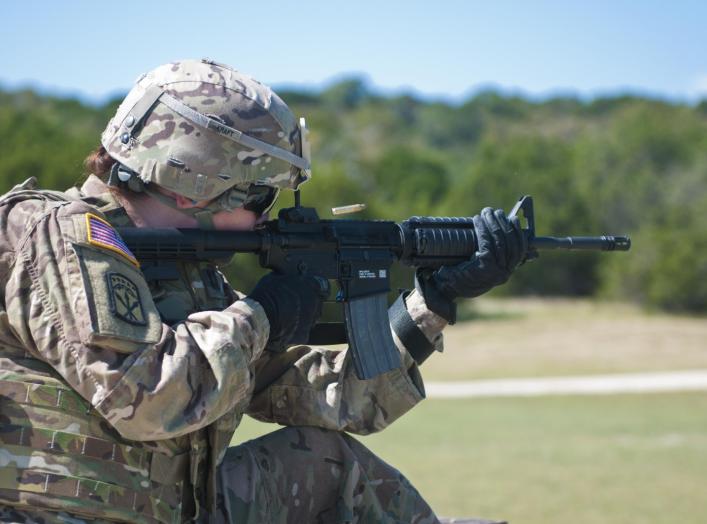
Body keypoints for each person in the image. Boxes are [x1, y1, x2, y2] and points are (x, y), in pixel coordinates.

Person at [0, 59, 527, 523]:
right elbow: (146, 396)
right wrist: (265, 314)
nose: (264, 220)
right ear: (198, 182)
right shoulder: (53, 233)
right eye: (260, 197)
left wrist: (431, 303)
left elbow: (335, 401)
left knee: (329, 462)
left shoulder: (195, 281)